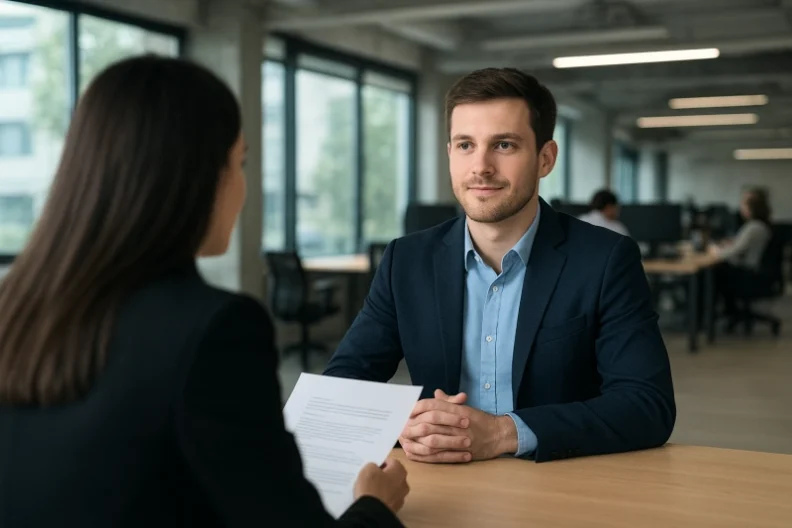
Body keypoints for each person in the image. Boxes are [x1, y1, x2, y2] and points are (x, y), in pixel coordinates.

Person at [0, 56, 408, 527]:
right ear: (197, 177)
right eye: (241, 162)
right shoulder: (213, 329)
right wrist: (375, 505)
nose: (243, 186)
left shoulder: (20, 308)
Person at [324, 67, 675, 464]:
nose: (481, 166)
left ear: (545, 158)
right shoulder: (407, 260)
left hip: (559, 483)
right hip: (444, 482)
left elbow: (648, 405)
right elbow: (342, 384)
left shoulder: (605, 259)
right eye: (465, 145)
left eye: (504, 145)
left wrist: (503, 433)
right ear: (450, 154)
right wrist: (404, 424)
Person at [709, 190, 773, 319]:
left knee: (711, 274)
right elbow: (740, 245)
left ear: (752, 209)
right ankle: (729, 310)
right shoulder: (760, 226)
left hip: (746, 274)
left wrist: (716, 251)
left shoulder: (754, 227)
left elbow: (735, 250)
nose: (742, 209)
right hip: (752, 271)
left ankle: (708, 316)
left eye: (744, 206)